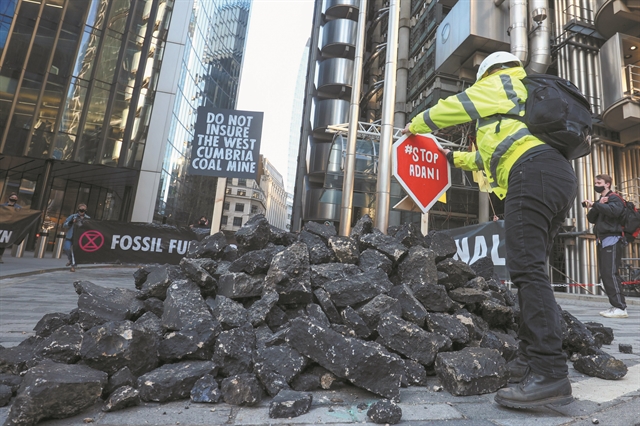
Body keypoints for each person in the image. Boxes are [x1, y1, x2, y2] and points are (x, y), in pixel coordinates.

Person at [403, 51, 577, 409]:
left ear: (486, 73)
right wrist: (452, 158)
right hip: (551, 174)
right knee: (530, 271)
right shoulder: (515, 105)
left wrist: (416, 125)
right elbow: (487, 158)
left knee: (527, 271)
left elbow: (452, 107)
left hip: (532, 174)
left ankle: (550, 375)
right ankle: (531, 360)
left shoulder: (501, 83)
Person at [584, 174, 628, 318]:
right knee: (605, 273)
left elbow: (614, 211)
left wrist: (598, 204)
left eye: (599, 182)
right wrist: (598, 205)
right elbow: (591, 218)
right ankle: (615, 305)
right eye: (595, 182)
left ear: (607, 184)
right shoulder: (601, 200)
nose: (596, 184)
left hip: (612, 239)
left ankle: (620, 307)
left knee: (610, 273)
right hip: (602, 239)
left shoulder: (614, 198)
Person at [63, 204, 89, 272]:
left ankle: (73, 266)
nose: (82, 210)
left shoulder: (87, 218)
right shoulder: (72, 216)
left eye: (83, 209)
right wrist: (71, 222)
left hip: (79, 238)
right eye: (81, 208)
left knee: (75, 252)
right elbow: (65, 225)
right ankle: (71, 260)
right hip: (70, 236)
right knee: (67, 248)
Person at [0, 193, 22, 263]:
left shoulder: (18, 208)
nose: (13, 198)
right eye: (12, 197)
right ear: (9, 197)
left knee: (3, 242)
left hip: (9, 227)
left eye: (15, 198)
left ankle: (0, 256)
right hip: (1, 225)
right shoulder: (2, 206)